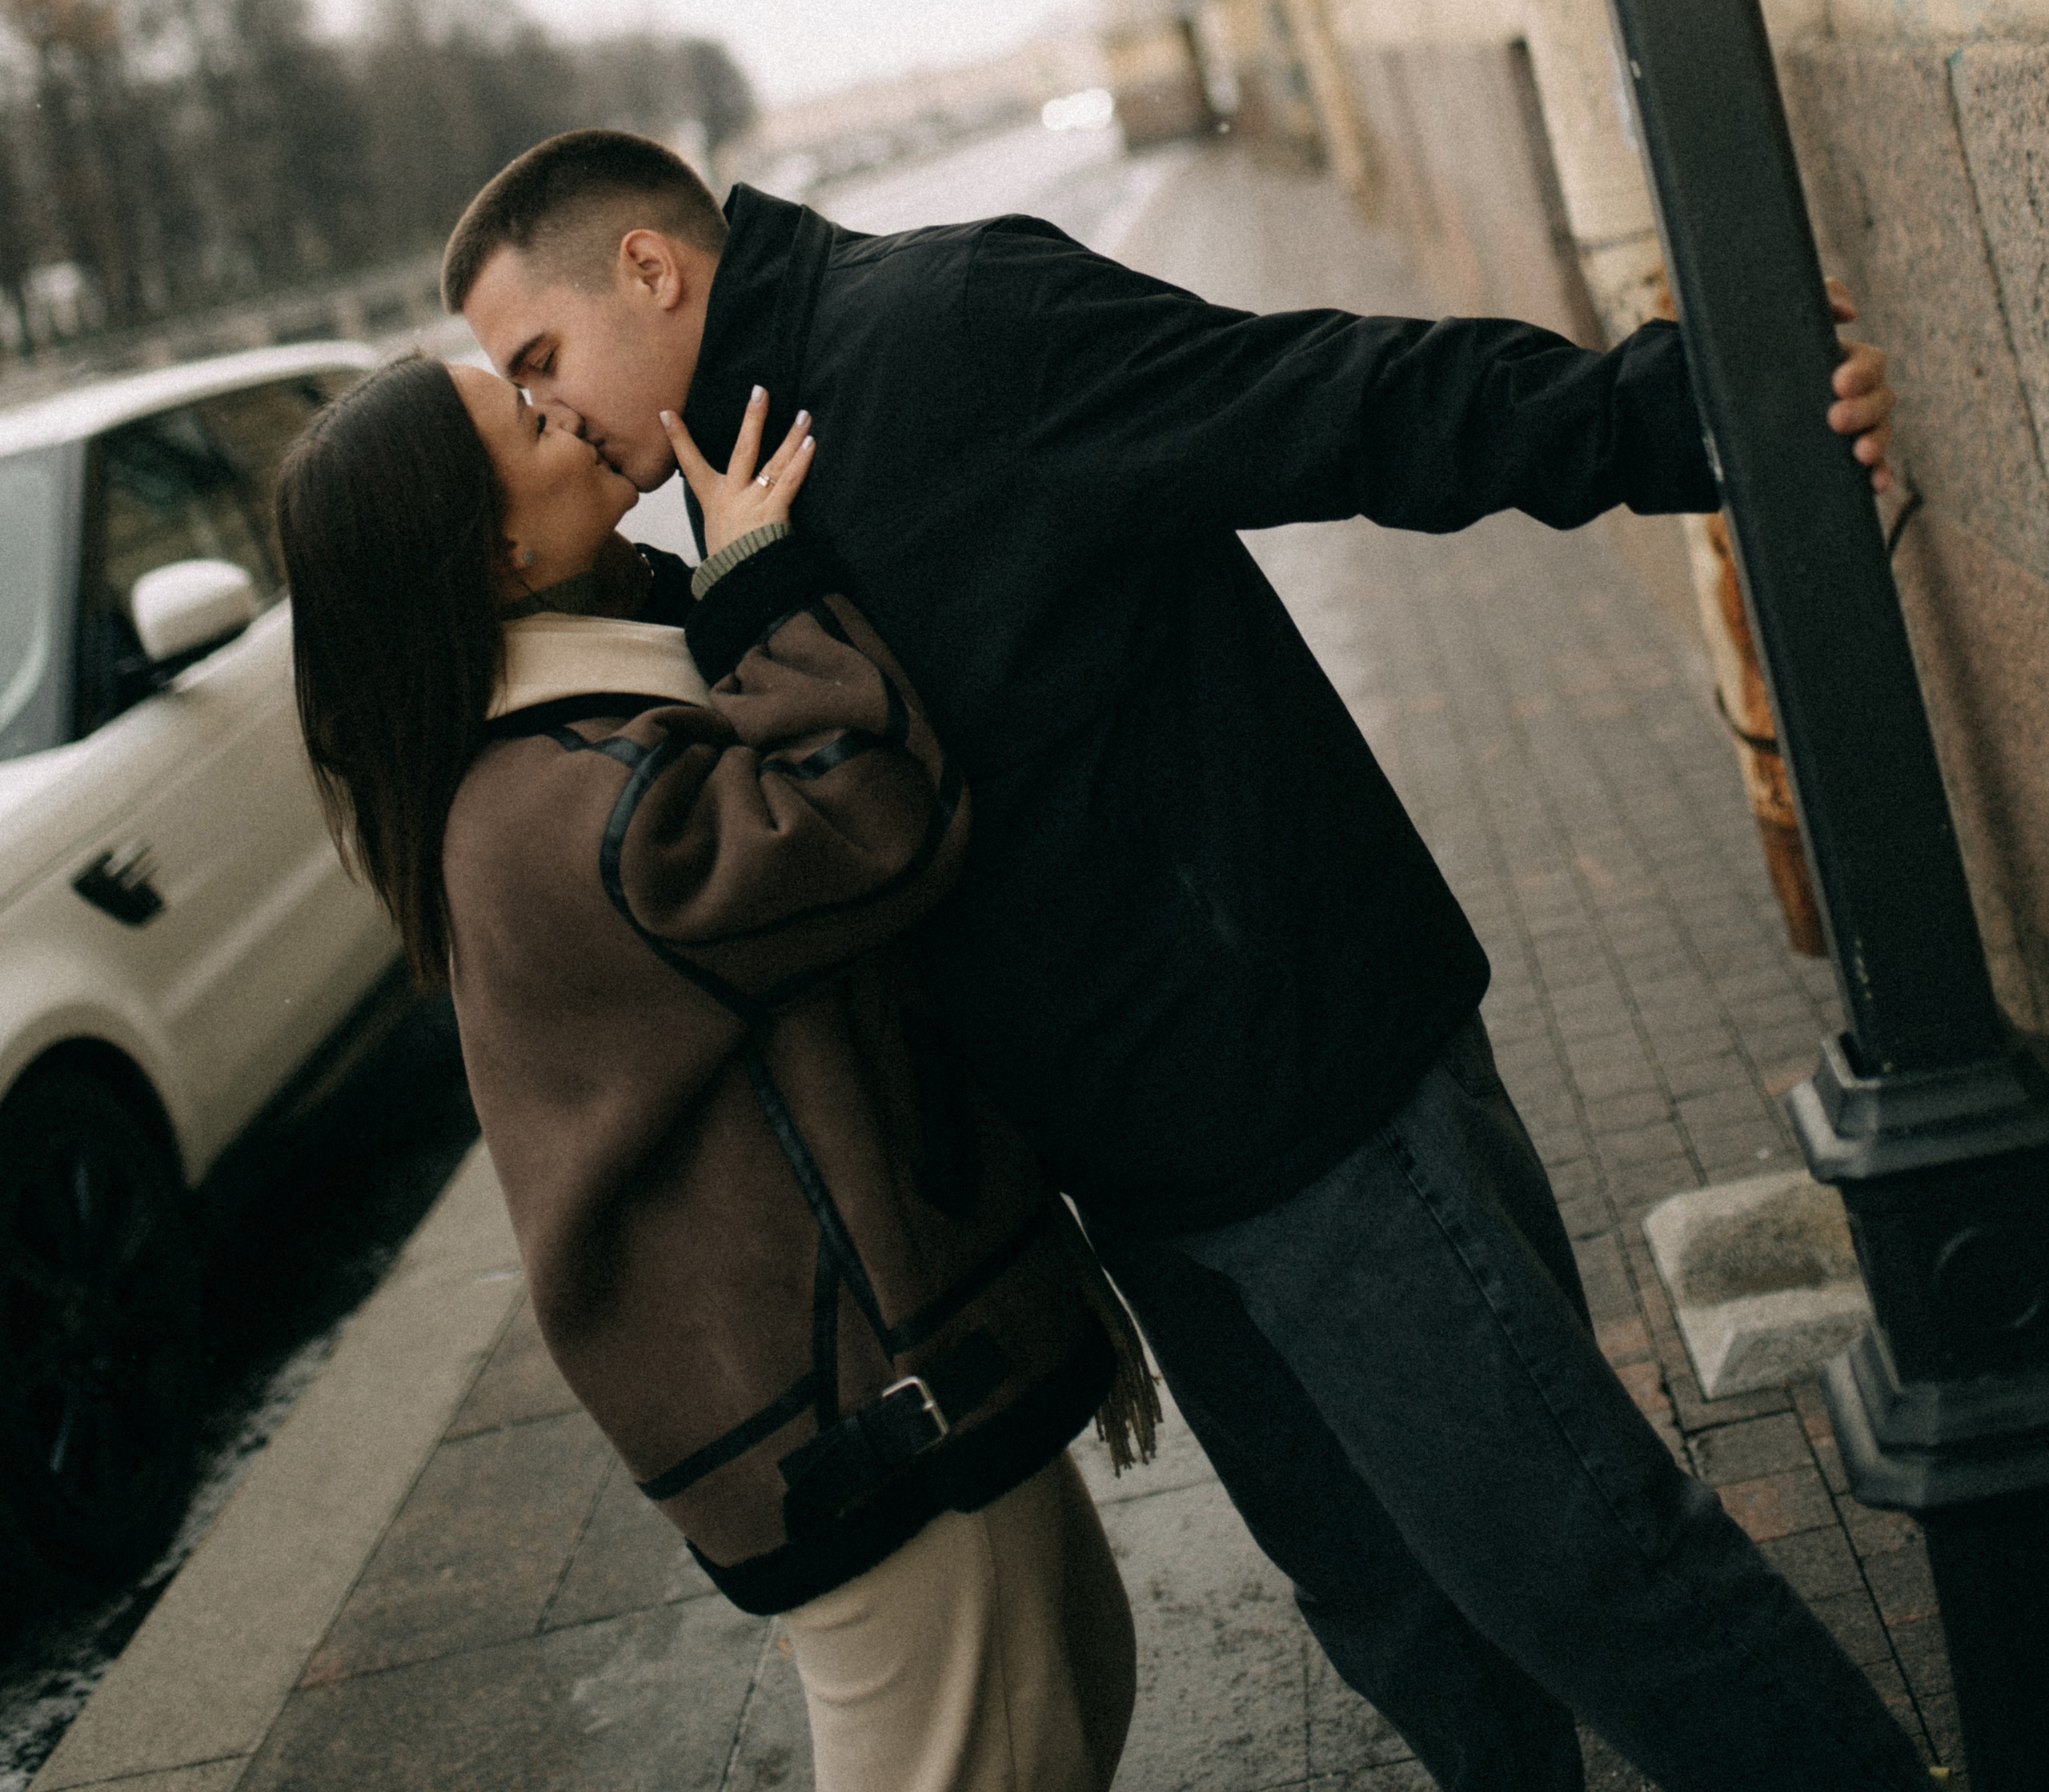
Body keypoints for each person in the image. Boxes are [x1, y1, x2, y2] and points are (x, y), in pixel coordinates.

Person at [445, 126, 1927, 1792]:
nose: (550, 410)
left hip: (1314, 1097)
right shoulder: (724, 517)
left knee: (1589, 1573)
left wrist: (1687, 412)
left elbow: (1330, 399)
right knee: (1388, 1617)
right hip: (1144, 1188)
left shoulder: (950, 324)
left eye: (540, 359)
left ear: (649, 268)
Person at [275, 350, 1139, 1792]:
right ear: (490, 549)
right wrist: (757, 584)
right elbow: (874, 814)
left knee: (1068, 1707)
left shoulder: (572, 715)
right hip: (853, 1401)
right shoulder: (558, 809)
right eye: (532, 420)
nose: (573, 414)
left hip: (863, 1369)